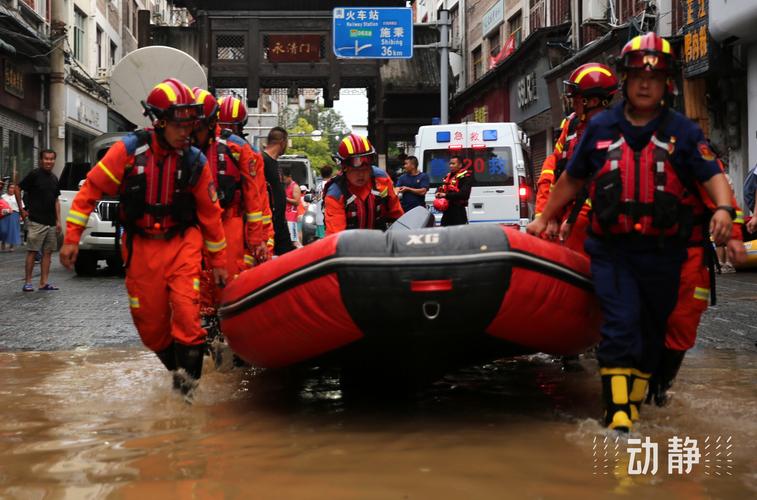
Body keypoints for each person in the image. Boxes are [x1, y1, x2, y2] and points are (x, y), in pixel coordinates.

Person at [527, 32, 735, 432]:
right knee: (621, 324)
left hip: (676, 250)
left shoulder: (683, 135)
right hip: (614, 245)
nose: (644, 84)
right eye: (637, 75)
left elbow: (713, 179)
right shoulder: (588, 129)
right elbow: (565, 178)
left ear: (666, 84)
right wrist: (545, 218)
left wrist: (729, 218)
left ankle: (653, 393)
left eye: (654, 77)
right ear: (624, 82)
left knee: (669, 330)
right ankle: (619, 416)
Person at [60, 78, 228, 399]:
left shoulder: (195, 161)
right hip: (141, 249)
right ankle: (179, 376)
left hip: (183, 244)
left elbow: (210, 215)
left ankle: (186, 401)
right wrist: (71, 238)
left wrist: (218, 263)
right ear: (159, 122)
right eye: (179, 125)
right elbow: (89, 192)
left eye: (190, 125)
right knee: (150, 328)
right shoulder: (127, 152)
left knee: (187, 315)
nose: (186, 133)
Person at [535, 63, 619, 254]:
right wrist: (548, 216)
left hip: (590, 217)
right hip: (563, 212)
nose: (572, 103)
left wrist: (573, 219)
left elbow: (596, 184)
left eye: (577, 99)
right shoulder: (571, 125)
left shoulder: (614, 132)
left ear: (594, 101)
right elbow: (553, 170)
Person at [192, 88, 261, 318]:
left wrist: (257, 240)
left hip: (229, 220)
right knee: (192, 281)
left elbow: (255, 197)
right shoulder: (180, 147)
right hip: (194, 223)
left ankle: (227, 330)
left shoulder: (239, 149)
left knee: (229, 280)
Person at [216, 96, 272, 265]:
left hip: (212, 224)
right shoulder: (249, 153)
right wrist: (263, 240)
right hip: (236, 225)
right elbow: (259, 199)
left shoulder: (200, 147)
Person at [324, 133, 404, 235]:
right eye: (355, 170)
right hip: (349, 247)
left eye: (365, 169)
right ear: (345, 168)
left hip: (382, 244)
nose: (361, 174)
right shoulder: (335, 194)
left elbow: (397, 215)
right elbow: (335, 237)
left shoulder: (382, 179)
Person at [19, 149, 61, 292]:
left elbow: (56, 200)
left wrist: (58, 221)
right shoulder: (34, 174)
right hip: (36, 221)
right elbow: (18, 188)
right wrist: (21, 209)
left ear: (54, 161)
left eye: (51, 159)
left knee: (48, 253)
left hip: (51, 223)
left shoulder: (54, 178)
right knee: (32, 251)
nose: (49, 161)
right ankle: (28, 282)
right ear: (41, 160)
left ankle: (43, 283)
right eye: (46, 159)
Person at [263, 126, 296, 255]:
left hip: (280, 224)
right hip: (269, 225)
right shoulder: (262, 160)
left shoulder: (275, 163)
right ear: (282, 142)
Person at [435, 155, 472, 226]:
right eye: (450, 164)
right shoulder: (448, 176)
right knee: (444, 233)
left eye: (453, 164)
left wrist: (446, 195)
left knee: (458, 235)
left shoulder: (466, 177)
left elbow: (464, 195)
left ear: (460, 165)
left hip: (458, 211)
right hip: (447, 212)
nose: (451, 166)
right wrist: (438, 193)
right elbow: (440, 187)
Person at [0, 182, 23, 251]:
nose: (12, 189)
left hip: (15, 214)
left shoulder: (17, 196)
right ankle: (3, 242)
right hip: (4, 214)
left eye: (13, 188)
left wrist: (21, 215)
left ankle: (11, 246)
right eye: (10, 188)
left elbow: (21, 207)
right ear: (7, 188)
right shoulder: (3, 196)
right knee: (3, 230)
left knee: (13, 230)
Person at [282, 168, 301, 247]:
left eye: (285, 179)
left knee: (294, 241)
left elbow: (297, 202)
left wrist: (284, 198)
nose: (284, 181)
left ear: (289, 176)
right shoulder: (285, 186)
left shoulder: (295, 186)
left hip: (291, 217)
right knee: (288, 240)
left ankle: (301, 253)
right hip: (285, 216)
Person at [314, 165, 333, 238]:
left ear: (321, 174)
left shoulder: (318, 186)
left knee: (321, 239)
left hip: (319, 216)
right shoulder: (332, 184)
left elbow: (316, 199)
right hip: (328, 216)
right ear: (331, 174)